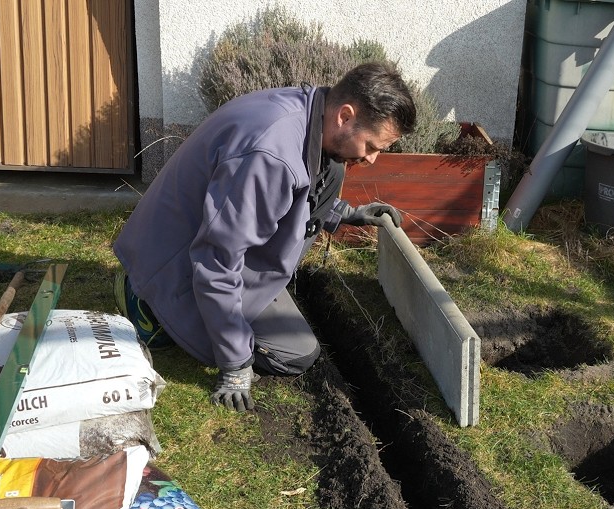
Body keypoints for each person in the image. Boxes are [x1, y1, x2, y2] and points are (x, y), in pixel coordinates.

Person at [113, 61, 417, 412]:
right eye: (372, 145)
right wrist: (235, 363)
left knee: (334, 168)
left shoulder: (307, 113)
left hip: (191, 246)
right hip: (176, 269)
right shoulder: (271, 155)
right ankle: (148, 305)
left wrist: (344, 213)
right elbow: (216, 260)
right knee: (297, 353)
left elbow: (294, 195)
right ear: (345, 116)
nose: (373, 158)